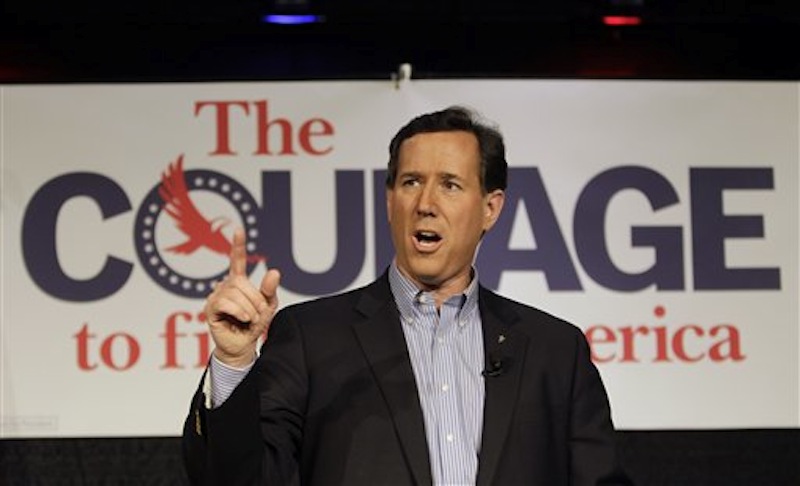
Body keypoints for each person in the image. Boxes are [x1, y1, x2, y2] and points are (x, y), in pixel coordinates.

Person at [182, 106, 632, 485]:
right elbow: (245, 479)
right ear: (389, 201)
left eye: (450, 184)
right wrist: (235, 362)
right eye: (411, 182)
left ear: (490, 208)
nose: (425, 204)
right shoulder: (310, 338)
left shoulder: (555, 351)